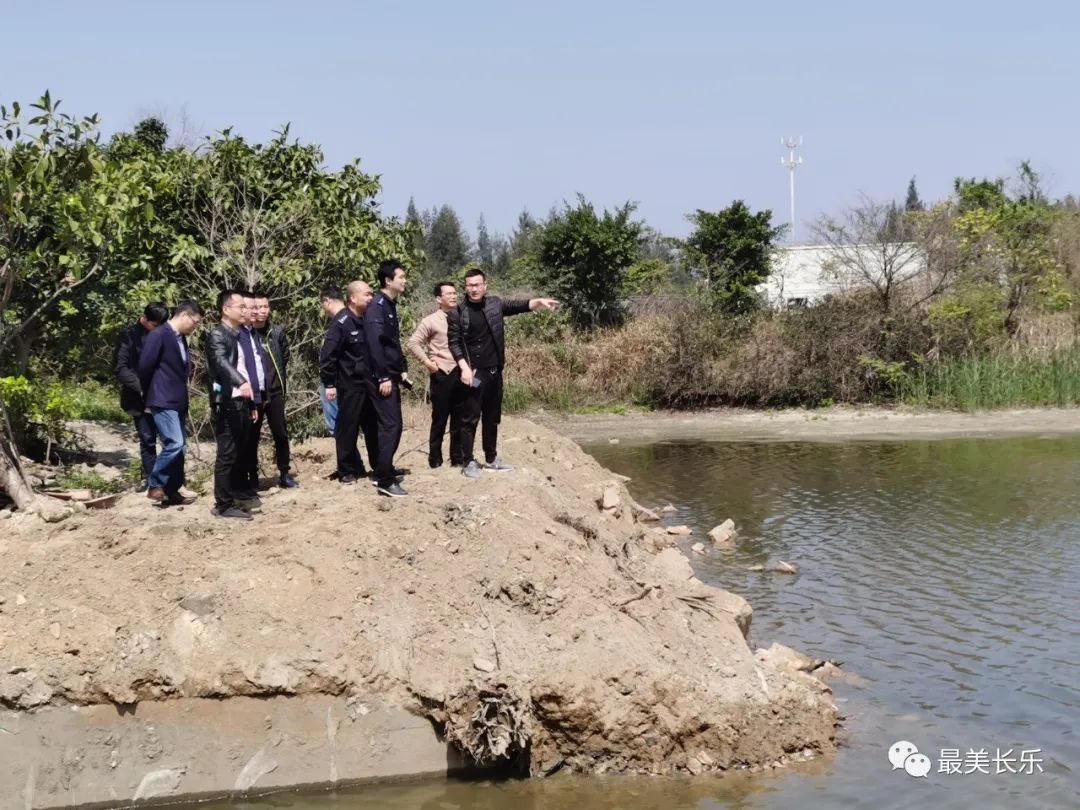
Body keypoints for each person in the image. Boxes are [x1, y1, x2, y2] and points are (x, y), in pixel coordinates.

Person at [447, 268, 559, 479]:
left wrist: (539, 302)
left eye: (477, 284)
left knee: (492, 417)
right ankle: (468, 461)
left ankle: (491, 459)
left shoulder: (494, 304)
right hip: (474, 373)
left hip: (494, 372)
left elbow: (519, 305)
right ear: (465, 287)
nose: (473, 289)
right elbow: (453, 343)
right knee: (470, 418)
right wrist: (463, 368)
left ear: (485, 285)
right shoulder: (458, 312)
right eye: (469, 285)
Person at [136, 300, 204, 505]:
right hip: (162, 397)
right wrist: (150, 396)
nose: (195, 327)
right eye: (195, 322)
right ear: (184, 315)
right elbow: (145, 367)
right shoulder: (159, 334)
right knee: (174, 443)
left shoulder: (180, 338)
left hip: (178, 399)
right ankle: (155, 483)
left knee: (180, 448)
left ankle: (172, 490)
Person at [206, 290, 258, 520]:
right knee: (227, 454)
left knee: (238, 451)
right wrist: (241, 382)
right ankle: (223, 505)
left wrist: (251, 401)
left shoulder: (235, 334)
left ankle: (232, 496)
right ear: (226, 310)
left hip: (240, 401)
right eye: (241, 307)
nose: (245, 310)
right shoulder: (217, 335)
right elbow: (220, 362)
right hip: (226, 401)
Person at [320, 280, 378, 485]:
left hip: (369, 385)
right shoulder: (341, 322)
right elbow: (327, 357)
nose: (371, 298)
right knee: (348, 429)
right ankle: (346, 471)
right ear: (353, 298)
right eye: (367, 294)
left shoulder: (367, 320)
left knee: (373, 427)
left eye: (372, 294)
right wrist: (329, 384)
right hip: (350, 386)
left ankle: (379, 467)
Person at [364, 259, 412, 497]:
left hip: (390, 374)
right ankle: (384, 479)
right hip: (379, 378)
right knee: (391, 425)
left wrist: (401, 368)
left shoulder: (390, 305)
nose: (404, 281)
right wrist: (383, 376)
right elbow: (375, 344)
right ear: (388, 280)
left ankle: (384, 469)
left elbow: (392, 343)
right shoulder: (377, 306)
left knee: (391, 425)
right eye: (401, 277)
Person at [406, 281, 463, 469]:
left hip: (461, 372)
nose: (454, 296)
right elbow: (413, 343)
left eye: (455, 293)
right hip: (442, 374)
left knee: (459, 418)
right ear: (439, 299)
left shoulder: (464, 316)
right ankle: (435, 459)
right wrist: (428, 363)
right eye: (449, 294)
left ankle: (457, 458)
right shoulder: (430, 321)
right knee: (439, 418)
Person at [113, 302, 168, 490]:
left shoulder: (166, 334)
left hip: (165, 395)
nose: (158, 329)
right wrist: (142, 387)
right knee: (148, 440)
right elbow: (120, 368)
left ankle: (172, 478)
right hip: (140, 397)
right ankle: (153, 481)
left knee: (172, 440)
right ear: (144, 318)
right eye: (155, 325)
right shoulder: (129, 335)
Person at [252, 293, 297, 488]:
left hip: (275, 391)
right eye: (258, 307)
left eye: (265, 306)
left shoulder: (276, 332)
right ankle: (251, 476)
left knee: (280, 433)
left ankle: (285, 473)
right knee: (251, 436)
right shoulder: (245, 333)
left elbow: (284, 355)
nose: (262, 311)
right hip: (255, 394)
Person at [318, 287, 346, 434]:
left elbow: (328, 356)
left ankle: (351, 458)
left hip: (335, 381)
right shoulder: (351, 317)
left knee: (336, 426)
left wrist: (329, 384)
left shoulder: (338, 323)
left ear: (327, 301)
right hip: (345, 380)